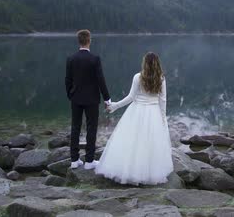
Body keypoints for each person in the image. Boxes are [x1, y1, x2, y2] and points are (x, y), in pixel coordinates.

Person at [96, 52, 173, 185]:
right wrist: (162, 117)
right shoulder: (161, 79)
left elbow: (131, 97)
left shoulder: (138, 77)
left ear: (145, 63)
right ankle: (149, 172)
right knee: (150, 143)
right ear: (157, 64)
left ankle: (130, 170)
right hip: (153, 111)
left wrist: (115, 106)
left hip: (137, 110)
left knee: (133, 141)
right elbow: (163, 100)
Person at [65, 29, 111, 170]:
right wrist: (107, 98)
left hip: (76, 98)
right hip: (92, 99)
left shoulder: (71, 59)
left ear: (79, 41)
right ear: (89, 40)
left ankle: (74, 160)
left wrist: (70, 95)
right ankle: (89, 161)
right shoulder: (94, 59)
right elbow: (100, 80)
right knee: (91, 128)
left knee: (75, 127)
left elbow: (67, 80)